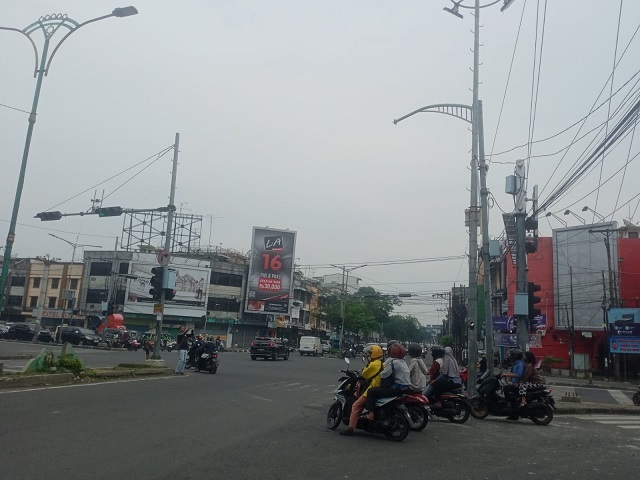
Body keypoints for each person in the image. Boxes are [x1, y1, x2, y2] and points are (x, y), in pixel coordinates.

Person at [340, 344, 384, 437]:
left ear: (374, 354)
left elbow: (364, 374)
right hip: (379, 387)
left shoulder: (373, 364)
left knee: (356, 405)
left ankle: (350, 429)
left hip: (371, 388)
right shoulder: (381, 363)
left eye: (369, 353)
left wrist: (358, 374)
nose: (368, 355)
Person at [364, 342, 412, 421]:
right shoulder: (403, 361)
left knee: (371, 391)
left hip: (397, 388)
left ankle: (370, 414)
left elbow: (384, 375)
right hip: (406, 387)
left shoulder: (393, 362)